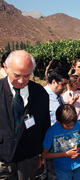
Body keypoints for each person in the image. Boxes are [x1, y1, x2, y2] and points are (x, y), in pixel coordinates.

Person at [0, 50, 50, 179]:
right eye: (17, 75)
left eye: (27, 76)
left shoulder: (40, 93)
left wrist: (41, 153)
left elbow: (44, 126)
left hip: (29, 158)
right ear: (6, 67)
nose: (22, 81)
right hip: (2, 160)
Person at [42, 104, 80, 180]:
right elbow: (45, 155)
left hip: (78, 164)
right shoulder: (51, 132)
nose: (72, 127)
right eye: (68, 126)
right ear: (59, 121)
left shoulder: (77, 124)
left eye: (73, 124)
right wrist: (66, 154)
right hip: (61, 168)